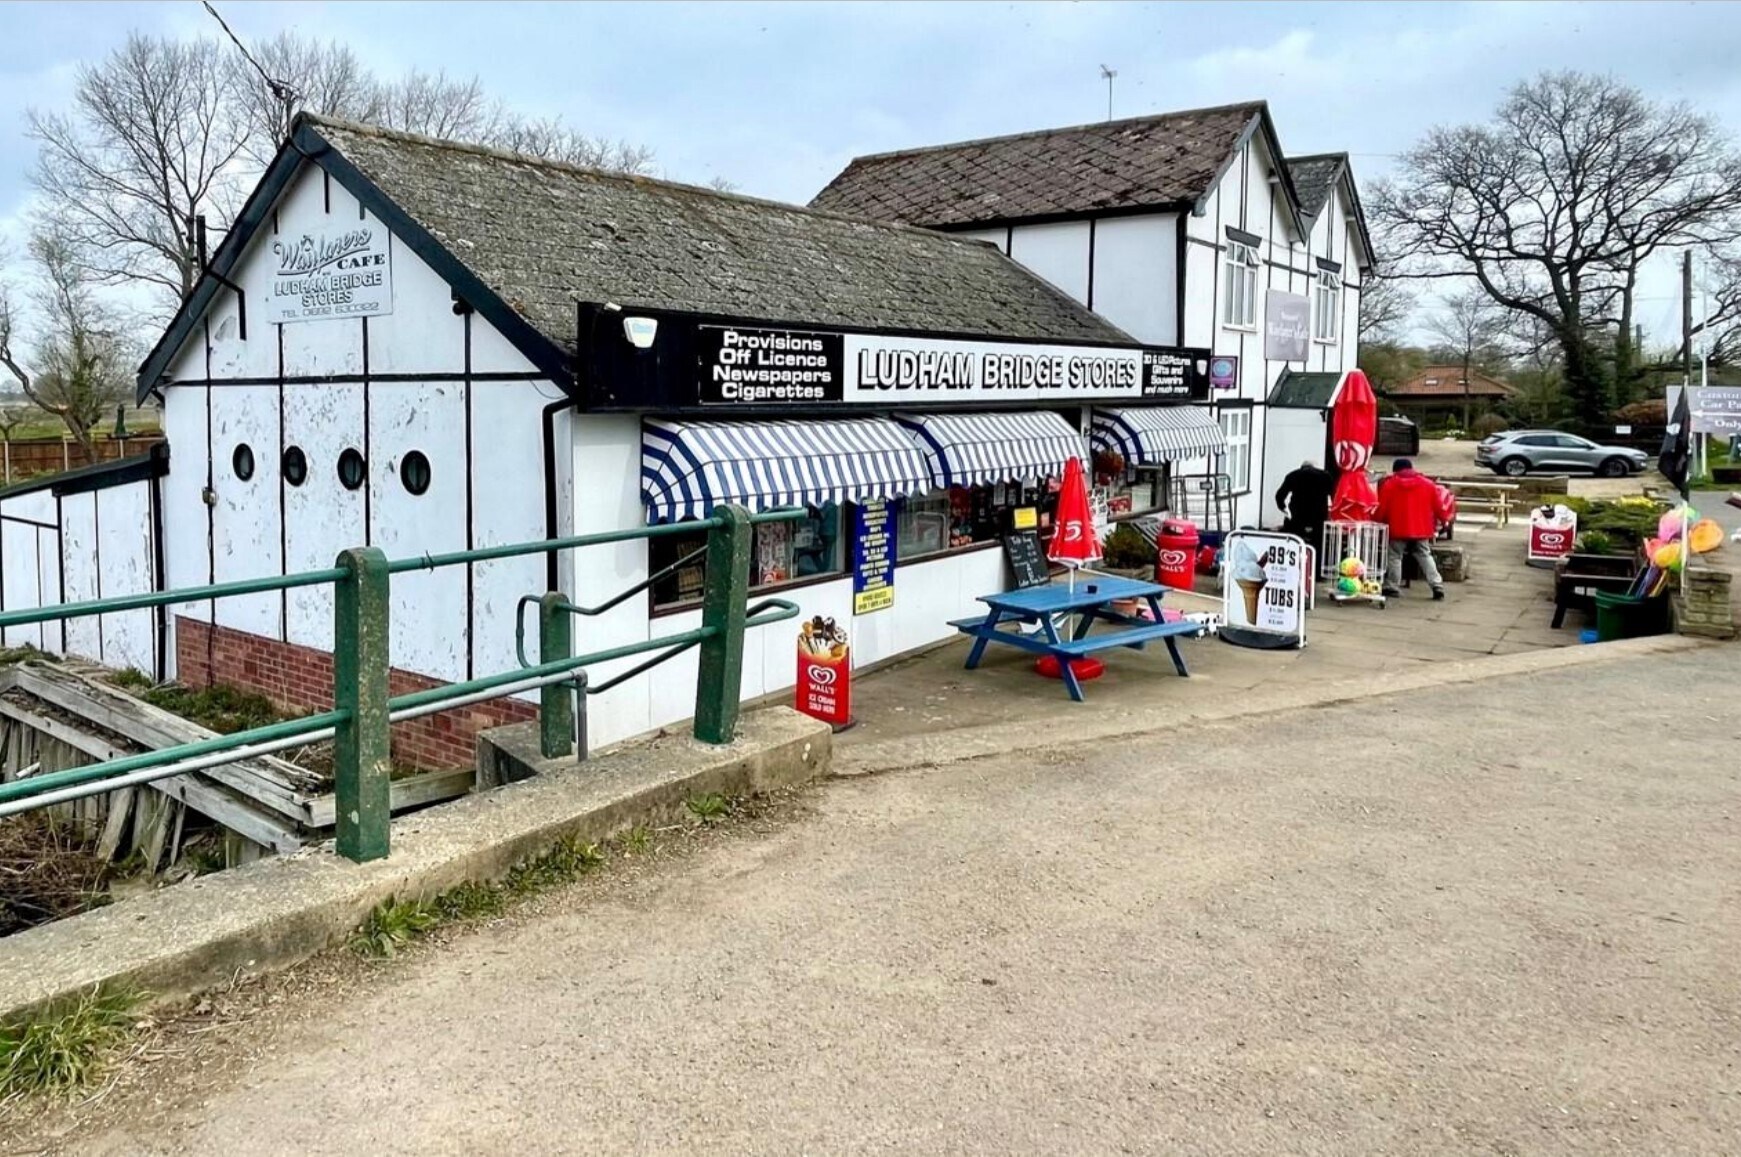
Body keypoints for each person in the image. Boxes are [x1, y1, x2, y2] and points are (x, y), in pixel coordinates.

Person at [1375, 457, 1445, 599]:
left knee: (1395, 556)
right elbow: (1438, 506)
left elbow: (1382, 508)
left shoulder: (1389, 485)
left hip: (1398, 528)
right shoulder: (1428, 484)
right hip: (1421, 528)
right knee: (1425, 555)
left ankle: (1392, 586)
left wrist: (1377, 521)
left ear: (1395, 470)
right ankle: (1437, 585)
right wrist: (1444, 520)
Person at [1274, 459, 1333, 554]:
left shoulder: (1292, 475)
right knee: (1318, 546)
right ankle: (1316, 566)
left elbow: (1279, 496)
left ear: (1301, 467)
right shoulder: (1325, 476)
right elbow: (1334, 495)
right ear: (1315, 467)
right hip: (1318, 518)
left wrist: (1286, 511)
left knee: (1295, 543)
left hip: (1297, 517)